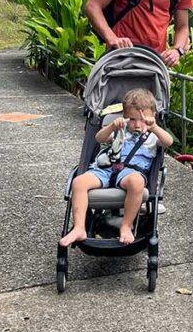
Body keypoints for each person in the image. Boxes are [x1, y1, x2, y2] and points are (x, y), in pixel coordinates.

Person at [60, 88, 173, 248]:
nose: (137, 124)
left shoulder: (153, 136)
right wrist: (112, 127)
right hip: (107, 169)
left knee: (137, 182)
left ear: (152, 116)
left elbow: (168, 142)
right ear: (125, 117)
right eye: (132, 119)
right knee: (79, 182)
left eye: (142, 119)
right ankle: (79, 227)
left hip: (131, 173)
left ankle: (126, 225)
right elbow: (99, 138)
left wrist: (153, 127)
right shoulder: (121, 130)